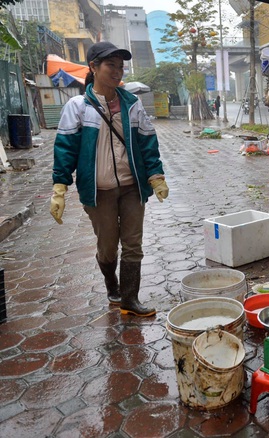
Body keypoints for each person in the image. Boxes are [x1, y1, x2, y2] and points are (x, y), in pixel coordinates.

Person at [50, 41, 169, 317]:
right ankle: (111, 284)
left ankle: (129, 298)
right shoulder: (78, 106)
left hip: (131, 187)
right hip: (98, 191)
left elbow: (147, 142)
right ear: (93, 67)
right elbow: (65, 148)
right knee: (107, 247)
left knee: (133, 243)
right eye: (110, 65)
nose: (117, 71)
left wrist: (156, 176)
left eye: (120, 66)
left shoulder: (132, 104)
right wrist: (59, 187)